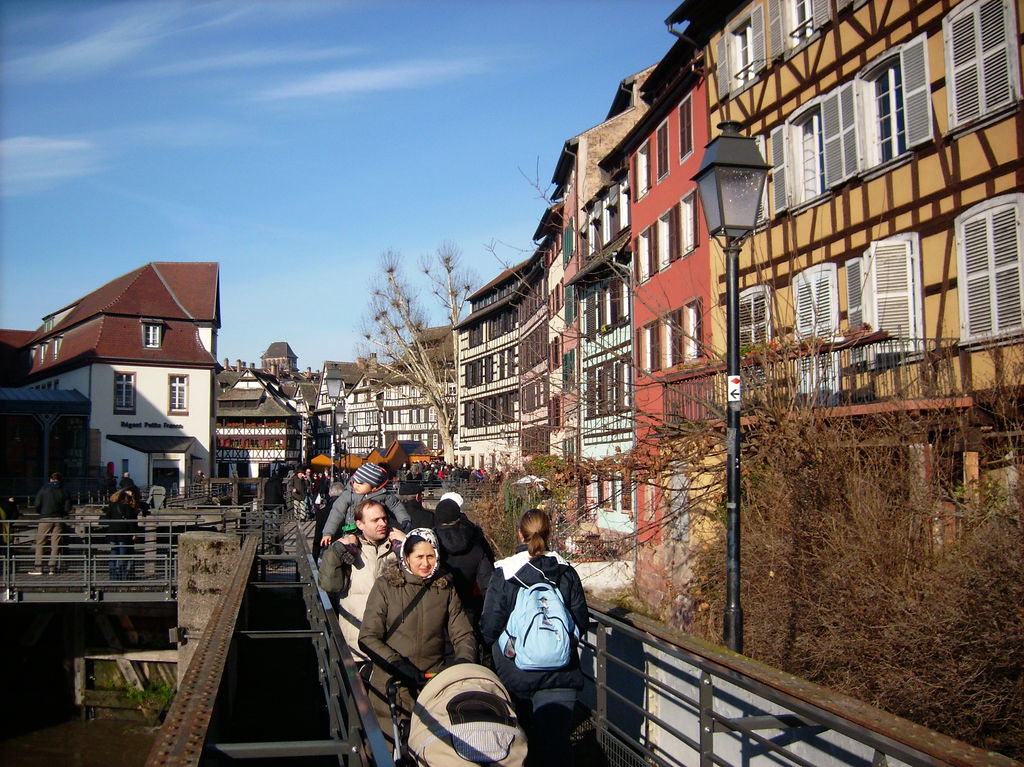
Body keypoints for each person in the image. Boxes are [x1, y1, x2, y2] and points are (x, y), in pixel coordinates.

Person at [480, 509, 588, 767]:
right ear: (549, 533)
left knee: (517, 750)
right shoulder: (565, 571)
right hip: (562, 673)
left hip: (516, 674)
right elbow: (580, 621)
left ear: (520, 533)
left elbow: (490, 625)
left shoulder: (505, 572)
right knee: (557, 750)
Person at [358, 528, 476, 738]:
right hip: (392, 683)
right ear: (406, 557)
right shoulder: (386, 586)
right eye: (419, 557)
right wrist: (397, 664)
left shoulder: (445, 588)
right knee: (390, 744)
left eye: (431, 556)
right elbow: (368, 636)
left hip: (432, 684)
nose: (425, 563)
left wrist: (462, 662)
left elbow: (463, 633)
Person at [333, 499, 404, 667]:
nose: (383, 523)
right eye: (375, 520)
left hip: (393, 643)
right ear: (360, 524)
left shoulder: (397, 546)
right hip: (358, 644)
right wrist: (335, 551)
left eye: (384, 518)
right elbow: (328, 583)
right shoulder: (349, 550)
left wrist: (406, 544)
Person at [433, 498, 494, 630]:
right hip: (469, 610)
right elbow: (487, 585)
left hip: (437, 611)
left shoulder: (431, 544)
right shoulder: (475, 541)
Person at [320, 463, 410, 549]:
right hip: (354, 530)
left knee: (393, 535)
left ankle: (398, 548)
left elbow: (396, 506)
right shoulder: (349, 494)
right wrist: (328, 532)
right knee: (351, 540)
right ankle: (349, 550)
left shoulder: (383, 495)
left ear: (373, 487)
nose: (356, 485)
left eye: (361, 483)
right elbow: (337, 512)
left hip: (377, 531)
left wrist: (404, 519)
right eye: (354, 481)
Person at [30, 472, 72, 575]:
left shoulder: (44, 489)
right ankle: (52, 568)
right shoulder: (64, 490)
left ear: (50, 479)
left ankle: (38, 568)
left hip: (45, 517)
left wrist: (41, 512)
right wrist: (63, 513)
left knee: (40, 542)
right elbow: (68, 507)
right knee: (55, 544)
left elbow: (37, 503)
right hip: (58, 518)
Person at [103, 486, 143, 580]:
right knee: (123, 555)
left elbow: (107, 516)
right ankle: (122, 577)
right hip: (124, 533)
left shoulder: (113, 503)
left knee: (113, 553)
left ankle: (113, 577)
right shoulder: (127, 505)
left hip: (113, 532)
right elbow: (131, 521)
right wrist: (134, 533)